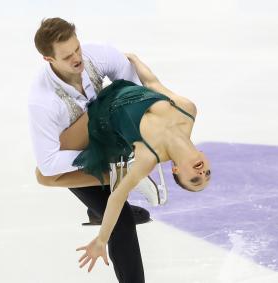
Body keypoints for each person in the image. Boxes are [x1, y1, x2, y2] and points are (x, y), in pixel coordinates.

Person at [28, 18, 159, 282]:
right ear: (48, 59)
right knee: (121, 220)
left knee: (117, 95)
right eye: (67, 56)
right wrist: (107, 161)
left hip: (113, 137)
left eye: (77, 48)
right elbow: (50, 163)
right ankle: (118, 183)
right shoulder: (43, 101)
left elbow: (133, 90)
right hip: (78, 156)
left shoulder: (97, 55)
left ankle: (108, 195)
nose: (77, 57)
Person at [63, 53, 212, 272]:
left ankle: (122, 173)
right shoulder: (188, 111)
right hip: (124, 86)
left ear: (176, 169)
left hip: (102, 114)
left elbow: (117, 197)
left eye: (194, 179)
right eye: (207, 173)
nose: (202, 173)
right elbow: (152, 83)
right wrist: (134, 58)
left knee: (61, 165)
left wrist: (102, 240)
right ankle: (122, 172)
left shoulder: (149, 156)